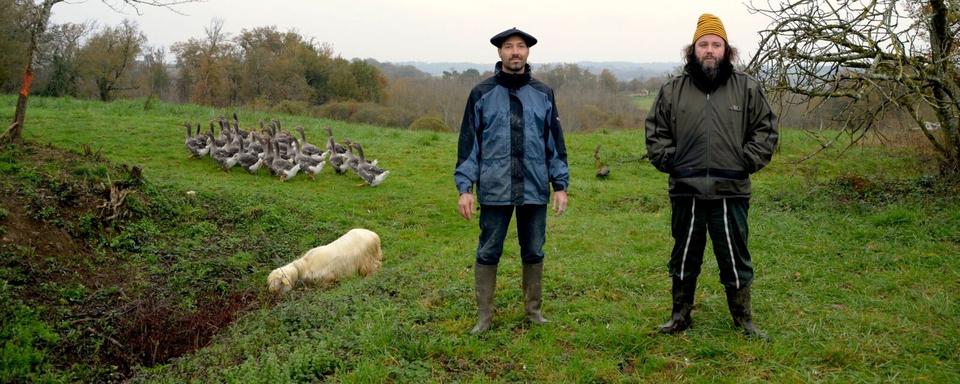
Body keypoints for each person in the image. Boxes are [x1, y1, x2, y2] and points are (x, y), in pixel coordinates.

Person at [645, 13, 778, 339]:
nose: (709, 50)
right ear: (693, 49)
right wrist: (672, 161)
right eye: (703, 44)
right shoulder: (673, 90)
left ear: (726, 49)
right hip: (686, 190)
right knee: (684, 254)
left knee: (734, 256)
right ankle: (679, 316)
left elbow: (766, 131)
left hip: (730, 189)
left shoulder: (747, 89)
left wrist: (744, 161)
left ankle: (743, 320)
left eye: (715, 44)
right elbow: (656, 133)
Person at [454, 27, 570, 335]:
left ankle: (533, 311)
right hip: (494, 190)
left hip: (534, 188)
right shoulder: (481, 94)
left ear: (528, 52)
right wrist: (465, 188)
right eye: (509, 47)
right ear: (499, 53)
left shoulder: (544, 93)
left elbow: (555, 143)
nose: (515, 52)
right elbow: (468, 145)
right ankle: (484, 317)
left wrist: (560, 185)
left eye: (520, 46)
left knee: (534, 250)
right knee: (488, 251)